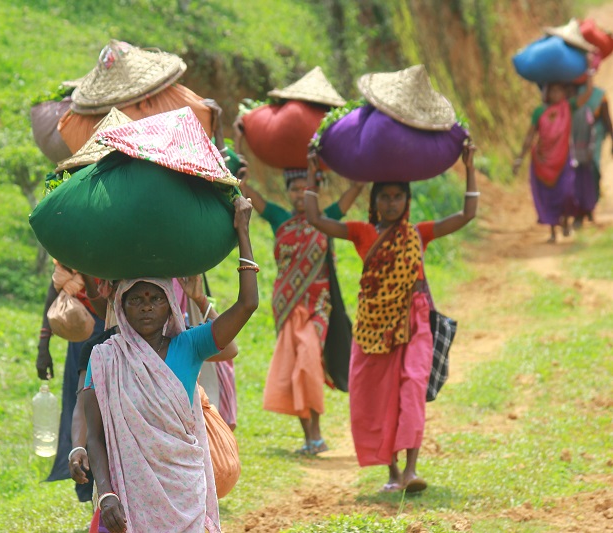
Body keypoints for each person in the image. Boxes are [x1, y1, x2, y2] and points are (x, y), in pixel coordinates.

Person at [303, 140, 477, 493]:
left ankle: (411, 471)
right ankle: (393, 472)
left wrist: (470, 167)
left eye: (398, 197)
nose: (391, 203)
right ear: (374, 201)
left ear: (407, 201)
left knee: (412, 387)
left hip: (415, 322)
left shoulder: (418, 233)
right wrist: (311, 172)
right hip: (373, 327)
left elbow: (466, 216)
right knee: (378, 396)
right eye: (385, 197)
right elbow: (316, 219)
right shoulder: (362, 233)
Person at [82, 196, 258, 533]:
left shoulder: (189, 345)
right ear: (122, 308)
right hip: (130, 501)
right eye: (136, 299)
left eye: (156, 298)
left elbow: (248, 303)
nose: (146, 307)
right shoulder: (105, 358)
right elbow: (96, 433)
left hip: (186, 493)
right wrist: (106, 493)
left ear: (170, 307)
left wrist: (243, 232)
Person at [234, 117, 364, 455]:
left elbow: (356, 189)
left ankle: (315, 433)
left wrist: (354, 149)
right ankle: (310, 437)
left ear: (315, 191)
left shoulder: (327, 216)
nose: (299, 194)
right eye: (294, 188)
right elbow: (243, 188)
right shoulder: (280, 218)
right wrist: (239, 141)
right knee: (295, 367)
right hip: (287, 304)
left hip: (319, 304)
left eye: (306, 188)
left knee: (309, 362)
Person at [37, 267, 106, 503]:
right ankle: (92, 493)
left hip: (119, 330)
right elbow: (56, 287)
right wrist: (43, 345)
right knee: (83, 408)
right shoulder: (74, 254)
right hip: (83, 331)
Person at [513, 77, 595, 242]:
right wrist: (520, 158)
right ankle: (552, 231)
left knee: (567, 192)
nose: (556, 94)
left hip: (563, 159)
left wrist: (589, 73)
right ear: (546, 93)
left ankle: (565, 221)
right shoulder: (539, 112)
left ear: (564, 92)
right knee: (548, 196)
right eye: (552, 90)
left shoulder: (568, 107)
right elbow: (530, 135)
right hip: (542, 161)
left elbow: (587, 94)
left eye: (559, 90)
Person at [570, 80, 613, 228]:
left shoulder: (599, 96)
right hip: (574, 141)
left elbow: (607, 119)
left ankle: (589, 206)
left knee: (593, 172)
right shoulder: (569, 94)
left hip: (592, 143)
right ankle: (579, 212)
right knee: (575, 176)